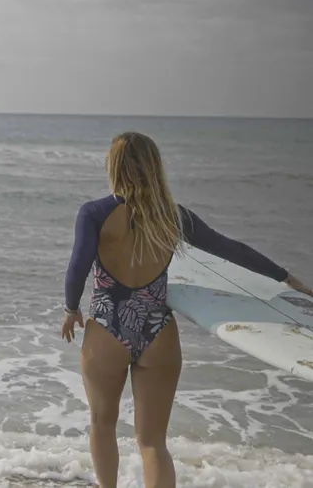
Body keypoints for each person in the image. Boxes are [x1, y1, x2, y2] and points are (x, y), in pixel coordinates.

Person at [61, 131, 312, 488]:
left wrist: (71, 308)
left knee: (103, 424)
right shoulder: (174, 217)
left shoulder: (94, 214)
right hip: (158, 333)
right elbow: (232, 250)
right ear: (154, 167)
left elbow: (77, 268)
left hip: (107, 328)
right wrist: (284, 276)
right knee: (153, 443)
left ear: (113, 167)